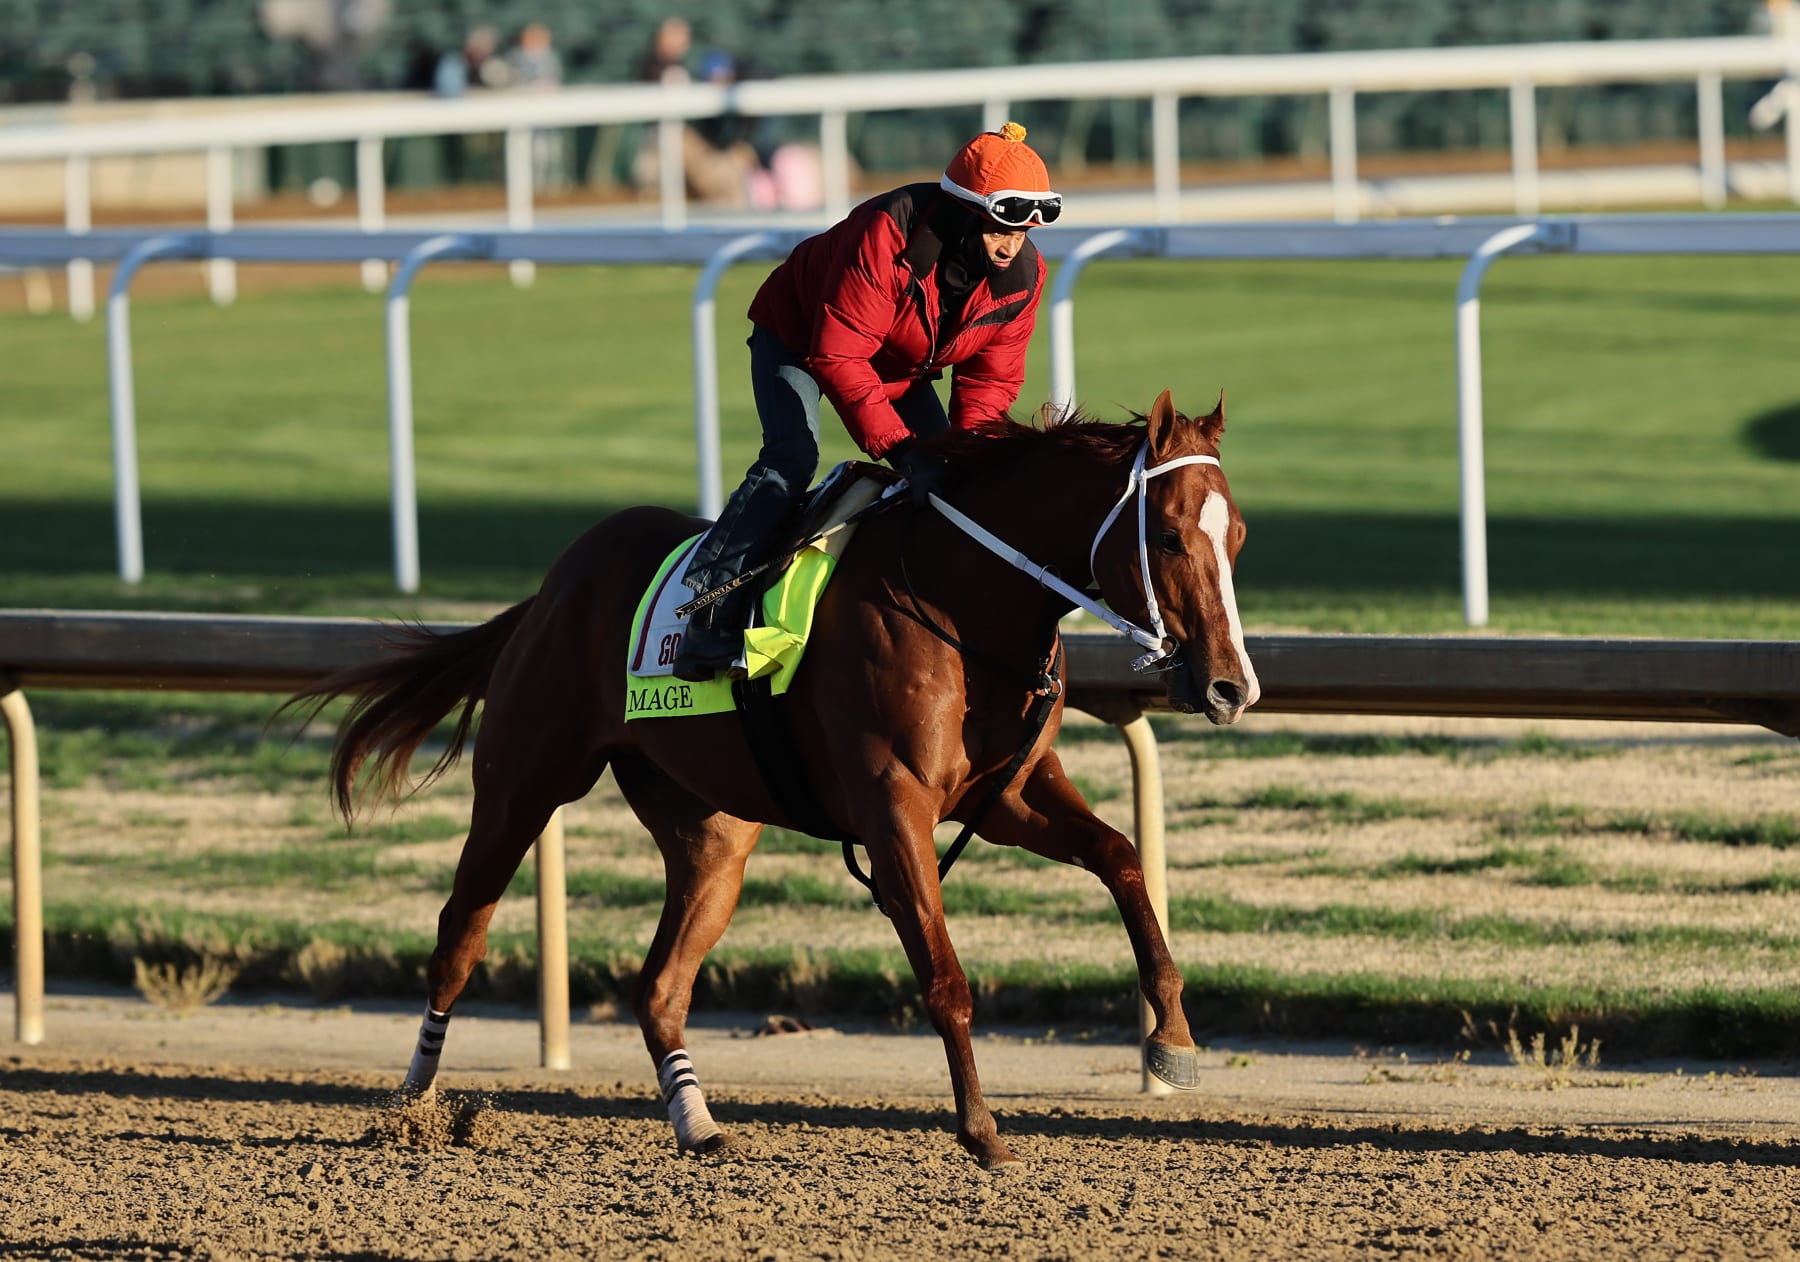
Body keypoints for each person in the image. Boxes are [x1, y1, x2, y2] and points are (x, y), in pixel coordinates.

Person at [671, 122, 1063, 681]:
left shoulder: (1023, 276)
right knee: (791, 459)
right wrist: (903, 449)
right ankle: (708, 611)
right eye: (1004, 226)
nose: (1014, 243)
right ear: (966, 211)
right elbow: (838, 357)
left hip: (897, 365)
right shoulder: (885, 234)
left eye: (1027, 229)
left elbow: (988, 386)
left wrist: (968, 455)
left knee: (955, 479)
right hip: (802, 336)